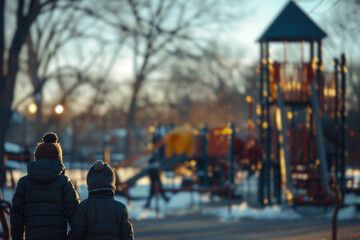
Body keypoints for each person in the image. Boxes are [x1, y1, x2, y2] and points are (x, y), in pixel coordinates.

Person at [10, 132, 80, 240]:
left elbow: (16, 217)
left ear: (36, 157)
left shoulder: (24, 183)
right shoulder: (64, 182)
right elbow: (77, 217)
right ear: (58, 159)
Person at [69, 160, 134, 240]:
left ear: (90, 184)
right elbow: (127, 237)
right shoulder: (120, 208)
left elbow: (76, 235)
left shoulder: (84, 207)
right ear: (112, 185)